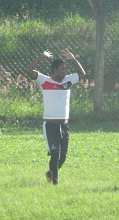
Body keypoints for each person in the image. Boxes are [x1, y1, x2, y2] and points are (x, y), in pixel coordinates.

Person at [26, 49, 85, 185]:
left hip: (64, 125)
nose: (64, 71)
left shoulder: (68, 81)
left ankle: (50, 174)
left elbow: (82, 73)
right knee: (55, 153)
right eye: (62, 69)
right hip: (50, 125)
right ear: (55, 70)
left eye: (65, 68)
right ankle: (55, 184)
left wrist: (72, 59)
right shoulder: (44, 81)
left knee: (62, 157)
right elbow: (29, 70)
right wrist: (41, 57)